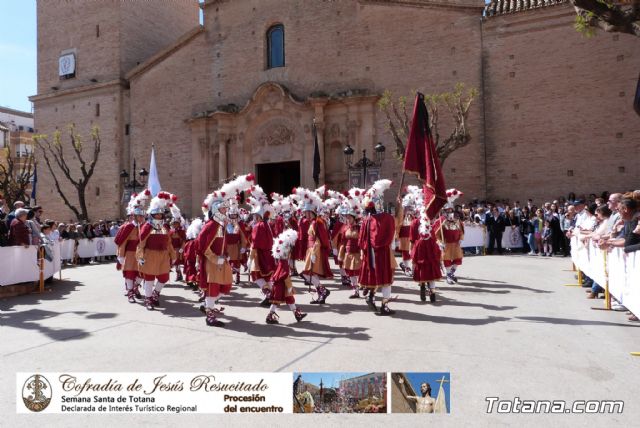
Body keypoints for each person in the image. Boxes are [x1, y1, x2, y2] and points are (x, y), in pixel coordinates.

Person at [358, 179, 396, 315]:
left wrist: (364, 250)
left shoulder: (366, 220)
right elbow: (390, 236)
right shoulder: (387, 218)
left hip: (369, 253)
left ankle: (371, 296)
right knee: (386, 280)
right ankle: (384, 306)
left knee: (374, 276)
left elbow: (361, 239)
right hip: (382, 252)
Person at [137, 192, 177, 310]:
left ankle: (155, 294)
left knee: (164, 277)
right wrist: (140, 257)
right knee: (149, 278)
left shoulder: (164, 227)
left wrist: (173, 255)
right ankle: (148, 299)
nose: (159, 216)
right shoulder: (147, 227)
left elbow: (168, 243)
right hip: (150, 255)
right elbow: (141, 244)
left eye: (160, 214)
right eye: (157, 215)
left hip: (163, 256)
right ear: (152, 215)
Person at [296, 188, 333, 304]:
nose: (305, 214)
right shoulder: (312, 222)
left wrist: (315, 253)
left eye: (307, 212)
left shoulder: (318, 222)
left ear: (311, 212)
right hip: (310, 250)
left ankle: (323, 291)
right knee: (308, 274)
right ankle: (322, 292)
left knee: (307, 273)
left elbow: (321, 239)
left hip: (314, 250)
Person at [265, 229, 307, 324]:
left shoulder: (281, 260)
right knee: (277, 300)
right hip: (282, 282)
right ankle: (270, 316)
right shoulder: (283, 262)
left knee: (289, 298)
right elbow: (284, 273)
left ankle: (297, 314)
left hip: (281, 281)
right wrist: (289, 285)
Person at [115, 194, 148, 303]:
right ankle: (130, 293)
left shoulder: (145, 227)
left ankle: (135, 288)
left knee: (142, 273)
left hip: (140, 254)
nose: (142, 218)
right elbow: (122, 243)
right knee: (130, 273)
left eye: (143, 216)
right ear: (134, 216)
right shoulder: (128, 227)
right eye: (140, 216)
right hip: (129, 254)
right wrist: (120, 256)